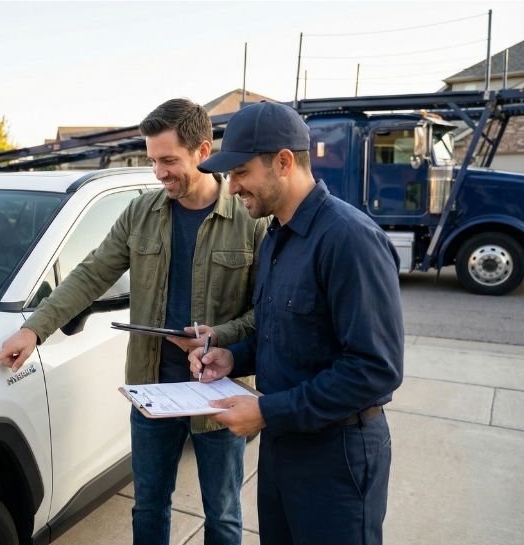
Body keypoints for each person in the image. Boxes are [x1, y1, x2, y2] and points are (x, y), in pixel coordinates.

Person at [0, 98, 269, 545]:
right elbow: (93, 273)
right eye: (153, 160)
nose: (158, 173)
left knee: (224, 514)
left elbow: (267, 311)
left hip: (219, 397)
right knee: (150, 505)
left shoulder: (250, 220)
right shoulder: (141, 213)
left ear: (202, 151)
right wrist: (34, 328)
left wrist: (221, 336)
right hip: (152, 390)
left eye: (168, 160)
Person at [190, 101, 404, 545]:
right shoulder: (276, 237)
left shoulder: (349, 239)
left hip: (338, 457)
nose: (232, 188)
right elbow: (284, 334)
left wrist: (266, 410)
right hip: (284, 445)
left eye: (241, 173)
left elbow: (374, 368)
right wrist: (233, 357)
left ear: (283, 162)